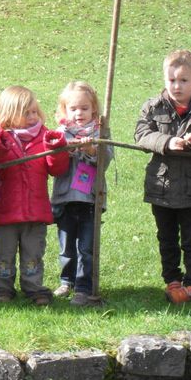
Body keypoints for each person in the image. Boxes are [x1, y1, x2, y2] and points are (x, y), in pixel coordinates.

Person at [135, 49, 191, 304]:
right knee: (166, 238)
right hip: (160, 186)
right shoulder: (153, 107)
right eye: (172, 80)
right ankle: (172, 279)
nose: (177, 86)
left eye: (183, 80)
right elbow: (141, 135)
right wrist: (165, 142)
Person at [0, 86, 68, 304]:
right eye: (26, 113)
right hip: (7, 210)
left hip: (35, 211)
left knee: (33, 253)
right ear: (9, 115)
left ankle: (34, 288)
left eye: (34, 112)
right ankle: (3, 287)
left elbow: (56, 169)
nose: (32, 117)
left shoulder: (45, 136)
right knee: (4, 253)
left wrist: (56, 149)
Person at [50, 81, 113, 307]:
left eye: (84, 108)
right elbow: (52, 163)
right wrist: (64, 149)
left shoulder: (100, 133)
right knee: (66, 246)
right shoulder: (59, 133)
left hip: (90, 200)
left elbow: (105, 162)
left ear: (94, 109)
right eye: (73, 108)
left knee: (86, 247)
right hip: (66, 199)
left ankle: (84, 287)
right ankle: (67, 281)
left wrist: (91, 149)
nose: (79, 113)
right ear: (64, 110)